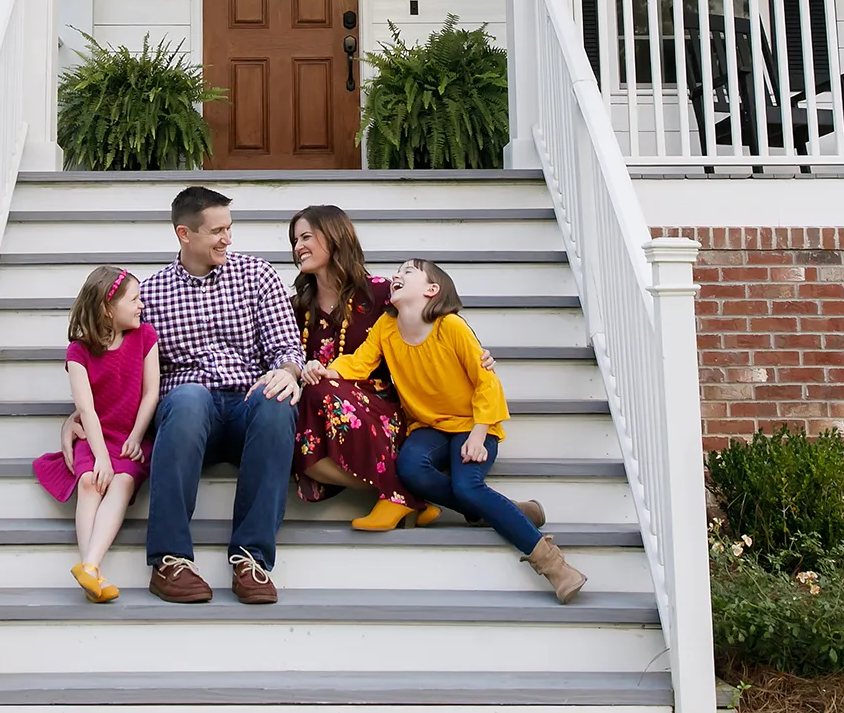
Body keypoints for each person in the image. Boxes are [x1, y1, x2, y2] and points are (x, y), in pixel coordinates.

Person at [306, 258, 587, 603]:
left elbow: (487, 383)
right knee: (409, 469)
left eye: (408, 272)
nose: (397, 275)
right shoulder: (386, 327)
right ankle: (507, 509)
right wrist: (328, 371)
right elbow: (359, 363)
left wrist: (480, 434)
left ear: (431, 289)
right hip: (429, 427)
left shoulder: (450, 326)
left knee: (468, 486)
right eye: (398, 272)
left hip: (473, 424)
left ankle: (555, 566)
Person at [138, 185, 303, 605]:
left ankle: (251, 560)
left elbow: (286, 348)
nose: (228, 238)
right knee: (189, 397)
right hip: (192, 418)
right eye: (217, 231)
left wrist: (287, 372)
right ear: (184, 234)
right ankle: (169, 560)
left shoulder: (257, 276)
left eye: (229, 228)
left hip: (248, 404)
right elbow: (122, 364)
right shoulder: (151, 294)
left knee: (276, 401)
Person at [289, 204, 440, 531]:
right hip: (319, 412)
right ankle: (405, 495)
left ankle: (406, 496)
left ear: (334, 236)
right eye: (294, 240)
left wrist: (477, 355)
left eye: (306, 237)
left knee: (318, 392)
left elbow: (436, 328)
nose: (298, 247)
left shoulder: (383, 293)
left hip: (381, 409)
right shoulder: (298, 306)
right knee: (295, 443)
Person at [32, 267, 159, 603]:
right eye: (134, 300)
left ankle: (89, 566)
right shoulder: (79, 352)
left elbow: (151, 393)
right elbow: (86, 409)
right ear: (107, 308)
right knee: (89, 481)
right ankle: (92, 572)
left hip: (131, 436)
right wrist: (101, 455)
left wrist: (136, 435)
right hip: (95, 435)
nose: (141, 305)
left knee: (121, 481)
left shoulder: (146, 336)